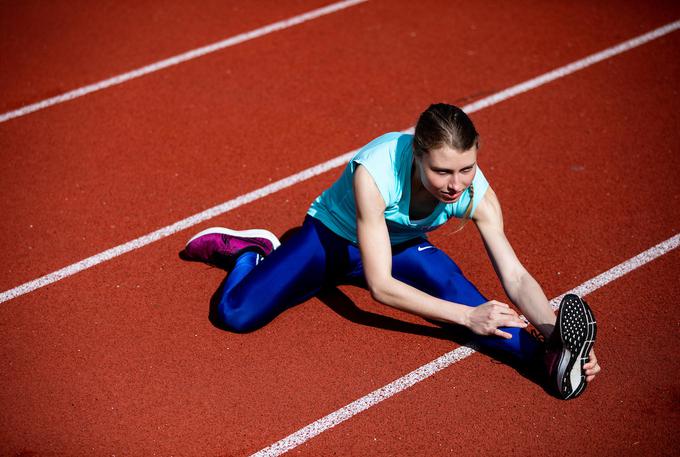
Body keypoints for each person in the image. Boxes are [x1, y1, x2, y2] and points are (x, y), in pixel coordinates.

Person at [181, 103, 601, 400]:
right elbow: (380, 286)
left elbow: (515, 277)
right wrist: (464, 316)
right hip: (332, 238)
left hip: (401, 247)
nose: (456, 185)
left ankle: (551, 364)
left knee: (480, 312)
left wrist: (555, 334)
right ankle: (250, 254)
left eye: (466, 168)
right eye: (442, 171)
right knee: (234, 314)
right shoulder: (376, 171)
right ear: (417, 156)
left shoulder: (477, 193)